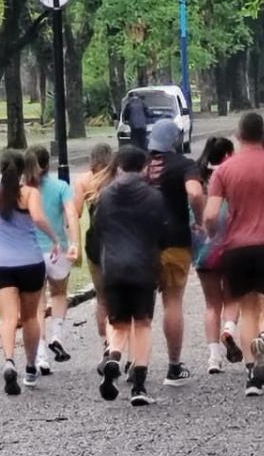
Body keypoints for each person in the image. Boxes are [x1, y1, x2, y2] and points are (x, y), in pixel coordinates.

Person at [204, 112, 264, 397]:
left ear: (238, 134)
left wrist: (213, 233)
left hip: (237, 248)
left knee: (247, 311)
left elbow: (210, 214)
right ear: (262, 134)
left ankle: (252, 378)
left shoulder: (223, 170)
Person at [0, 150, 62, 395]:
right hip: (30, 262)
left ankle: (8, 361)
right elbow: (37, 218)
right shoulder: (30, 194)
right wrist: (55, 239)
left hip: (0, 264)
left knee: (8, 318)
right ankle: (30, 367)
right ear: (24, 169)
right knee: (30, 318)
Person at [94, 146, 168, 406]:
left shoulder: (105, 196)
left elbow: (97, 229)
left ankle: (113, 357)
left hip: (113, 267)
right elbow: (160, 232)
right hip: (142, 266)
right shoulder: (153, 197)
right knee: (143, 324)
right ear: (143, 167)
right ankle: (139, 384)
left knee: (118, 322)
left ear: (119, 166)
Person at [142, 119, 205, 387]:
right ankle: (173, 366)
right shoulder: (185, 165)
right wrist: (199, 218)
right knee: (173, 302)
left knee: (141, 308)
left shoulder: (142, 165)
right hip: (176, 239)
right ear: (175, 140)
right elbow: (194, 193)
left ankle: (134, 361)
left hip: (142, 243)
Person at [26, 145, 80, 374]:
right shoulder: (61, 187)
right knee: (58, 294)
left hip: (30, 252)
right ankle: (57, 335)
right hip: (57, 251)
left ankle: (40, 355)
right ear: (49, 164)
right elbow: (71, 213)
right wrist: (74, 242)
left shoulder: (24, 189)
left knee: (36, 304)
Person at [194, 137, 238, 375]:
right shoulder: (231, 177)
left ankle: (213, 357)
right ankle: (229, 329)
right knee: (232, 298)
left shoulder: (198, 179)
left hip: (204, 248)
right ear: (228, 154)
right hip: (231, 246)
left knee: (211, 304)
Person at [73, 143, 114, 354]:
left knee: (101, 298)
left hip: (95, 241)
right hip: (117, 241)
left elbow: (77, 212)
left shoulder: (84, 180)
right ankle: (123, 342)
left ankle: (106, 342)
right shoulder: (117, 177)